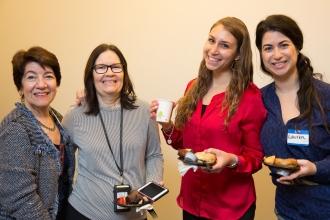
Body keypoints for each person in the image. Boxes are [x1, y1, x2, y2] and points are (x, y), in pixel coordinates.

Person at [150, 17, 267, 220]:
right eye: (211, 40)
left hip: (231, 208)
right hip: (192, 202)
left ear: (238, 54)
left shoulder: (251, 97)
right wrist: (166, 124)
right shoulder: (193, 87)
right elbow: (184, 145)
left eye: (224, 45)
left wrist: (231, 161)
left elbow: (255, 158)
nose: (213, 50)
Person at [62, 43, 164, 220]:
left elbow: (154, 154)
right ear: (91, 74)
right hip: (84, 212)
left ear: (124, 72)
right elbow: (62, 165)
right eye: (101, 67)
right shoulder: (75, 116)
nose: (109, 73)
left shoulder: (145, 112)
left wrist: (152, 183)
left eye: (116, 67)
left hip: (135, 215)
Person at [256, 14, 330, 219]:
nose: (276, 54)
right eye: (268, 48)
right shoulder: (258, 99)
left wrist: (315, 168)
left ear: (297, 47)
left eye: (283, 45)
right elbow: (246, 147)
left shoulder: (326, 96)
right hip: (286, 211)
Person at [0, 46, 75, 220]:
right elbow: (21, 200)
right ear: (21, 85)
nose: (41, 84)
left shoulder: (58, 119)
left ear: (57, 82)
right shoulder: (16, 128)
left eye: (48, 76)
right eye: (31, 77)